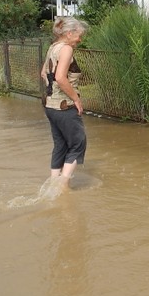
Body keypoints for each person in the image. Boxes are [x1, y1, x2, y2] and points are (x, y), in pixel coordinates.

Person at [43, 16, 89, 191]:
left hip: (50, 105)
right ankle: (63, 187)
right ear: (69, 33)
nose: (80, 39)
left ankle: (53, 183)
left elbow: (43, 73)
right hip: (64, 107)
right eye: (78, 35)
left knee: (60, 144)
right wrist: (76, 99)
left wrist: (53, 92)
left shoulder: (53, 48)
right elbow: (60, 78)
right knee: (78, 143)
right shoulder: (66, 49)